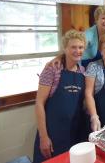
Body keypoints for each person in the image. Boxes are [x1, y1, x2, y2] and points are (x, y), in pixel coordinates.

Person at [33, 30, 86, 163]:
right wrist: (43, 137)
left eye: (80, 47)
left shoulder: (83, 72)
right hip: (52, 134)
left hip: (74, 133)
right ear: (65, 48)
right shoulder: (52, 69)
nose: (77, 51)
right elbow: (39, 103)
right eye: (73, 47)